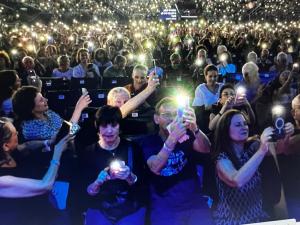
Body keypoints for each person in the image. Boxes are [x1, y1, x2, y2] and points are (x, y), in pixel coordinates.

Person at [139, 97, 213, 225]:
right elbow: (155, 167)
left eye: (175, 114)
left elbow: (206, 149)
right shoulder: (148, 141)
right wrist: (173, 138)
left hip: (194, 204)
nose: (171, 118)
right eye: (166, 115)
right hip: (165, 206)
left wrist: (195, 128)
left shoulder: (188, 135)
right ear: (156, 119)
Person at [213, 109, 294, 225]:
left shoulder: (252, 146)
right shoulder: (222, 158)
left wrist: (285, 136)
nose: (244, 127)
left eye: (245, 124)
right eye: (238, 125)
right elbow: (236, 181)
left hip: (257, 217)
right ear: (225, 130)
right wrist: (262, 150)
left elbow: (280, 149)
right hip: (232, 221)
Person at [0, 117, 72, 224]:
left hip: (44, 211)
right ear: (6, 146)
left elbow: (26, 145)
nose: (18, 134)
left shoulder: (13, 153)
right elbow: (45, 185)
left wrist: (47, 142)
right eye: (15, 134)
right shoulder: (2, 179)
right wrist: (58, 152)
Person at [83, 106, 147, 225]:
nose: (109, 131)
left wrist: (130, 176)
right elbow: (85, 191)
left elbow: (144, 185)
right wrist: (97, 183)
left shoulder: (133, 148)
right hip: (100, 211)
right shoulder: (89, 152)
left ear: (119, 127)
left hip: (131, 209)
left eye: (113, 125)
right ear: (98, 127)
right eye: (104, 126)